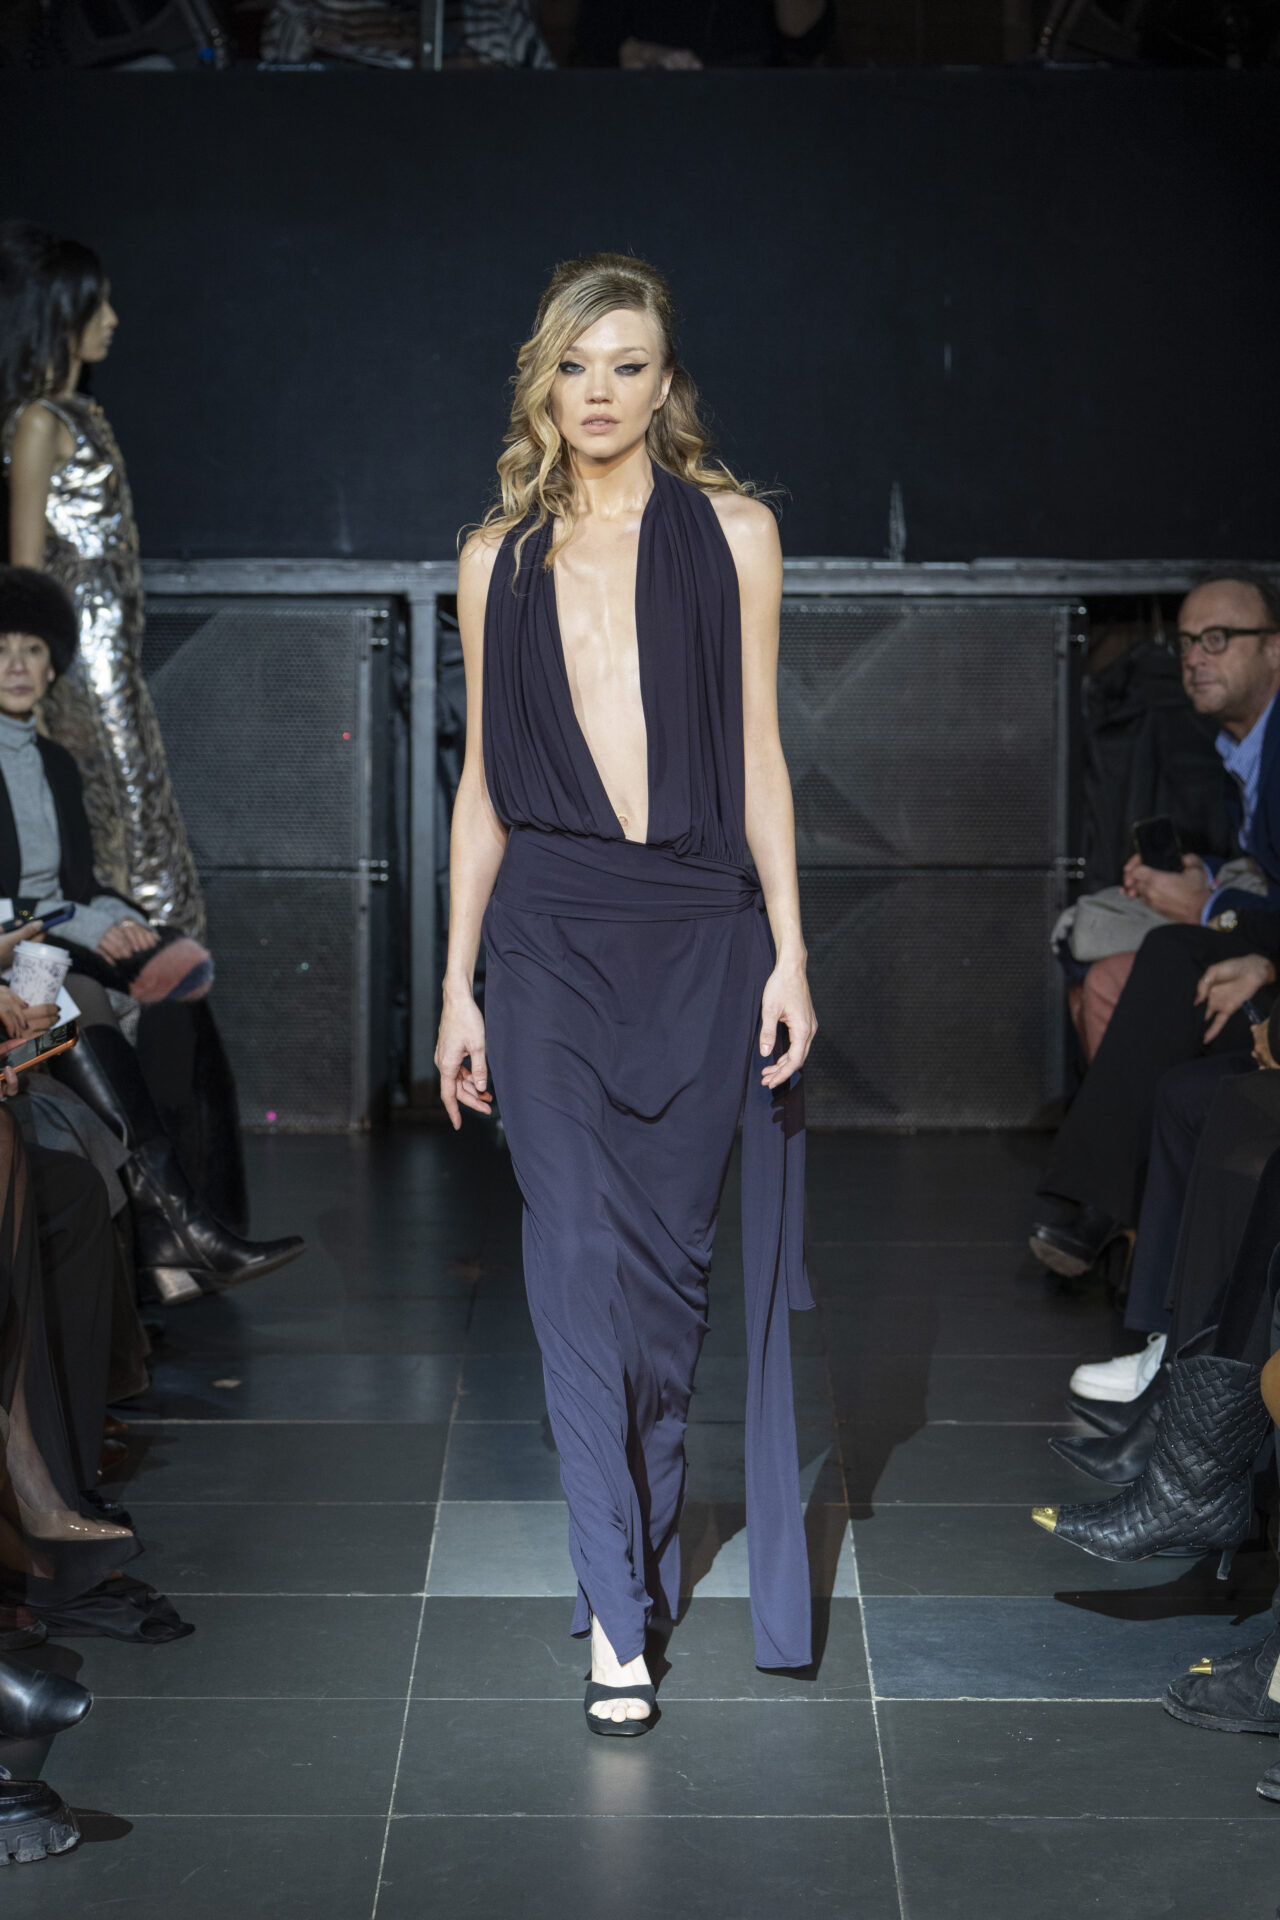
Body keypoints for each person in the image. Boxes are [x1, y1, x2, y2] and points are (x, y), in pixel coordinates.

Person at [436, 253, 816, 1733]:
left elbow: (761, 756)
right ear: (544, 381)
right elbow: (482, 785)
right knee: (575, 1254)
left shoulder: (737, 535)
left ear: (666, 385)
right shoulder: (496, 556)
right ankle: (613, 1609)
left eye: (627, 365)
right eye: (575, 365)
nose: (598, 392)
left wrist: (791, 948)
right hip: (545, 940)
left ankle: (637, 1560)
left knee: (667, 1290)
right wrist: (456, 987)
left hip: (701, 938)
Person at [0, 565, 304, 1299]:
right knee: (76, 994)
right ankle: (176, 1226)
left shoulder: (55, 765)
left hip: (54, 934)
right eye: (1, 647)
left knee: (178, 988)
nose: (16, 665)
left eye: (33, 650)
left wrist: (127, 924)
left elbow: (76, 886)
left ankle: (187, 1226)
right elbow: (25, 902)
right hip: (15, 948)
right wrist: (84, 926)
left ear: (53, 667)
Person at [1028, 572, 1280, 1286]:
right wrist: (1214, 876)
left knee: (1165, 952)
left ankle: (1100, 1206)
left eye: (1218, 640)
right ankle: (1117, 1212)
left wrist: (1216, 915)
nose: (1195, 657)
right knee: (1108, 970)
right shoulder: (1243, 749)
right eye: (1187, 643)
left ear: (1275, 650)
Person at [0, 219, 203, 937]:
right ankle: (132, 970)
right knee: (120, 824)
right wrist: (34, 693)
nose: (112, 319)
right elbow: (24, 581)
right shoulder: (38, 422)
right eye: (98, 305)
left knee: (143, 816)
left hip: (113, 662)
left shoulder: (81, 413)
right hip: (78, 669)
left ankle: (153, 974)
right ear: (61, 314)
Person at [576, 0, 832, 66]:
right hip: (651, 100)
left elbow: (807, 39)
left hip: (753, 102)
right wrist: (641, 54)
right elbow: (594, 35)